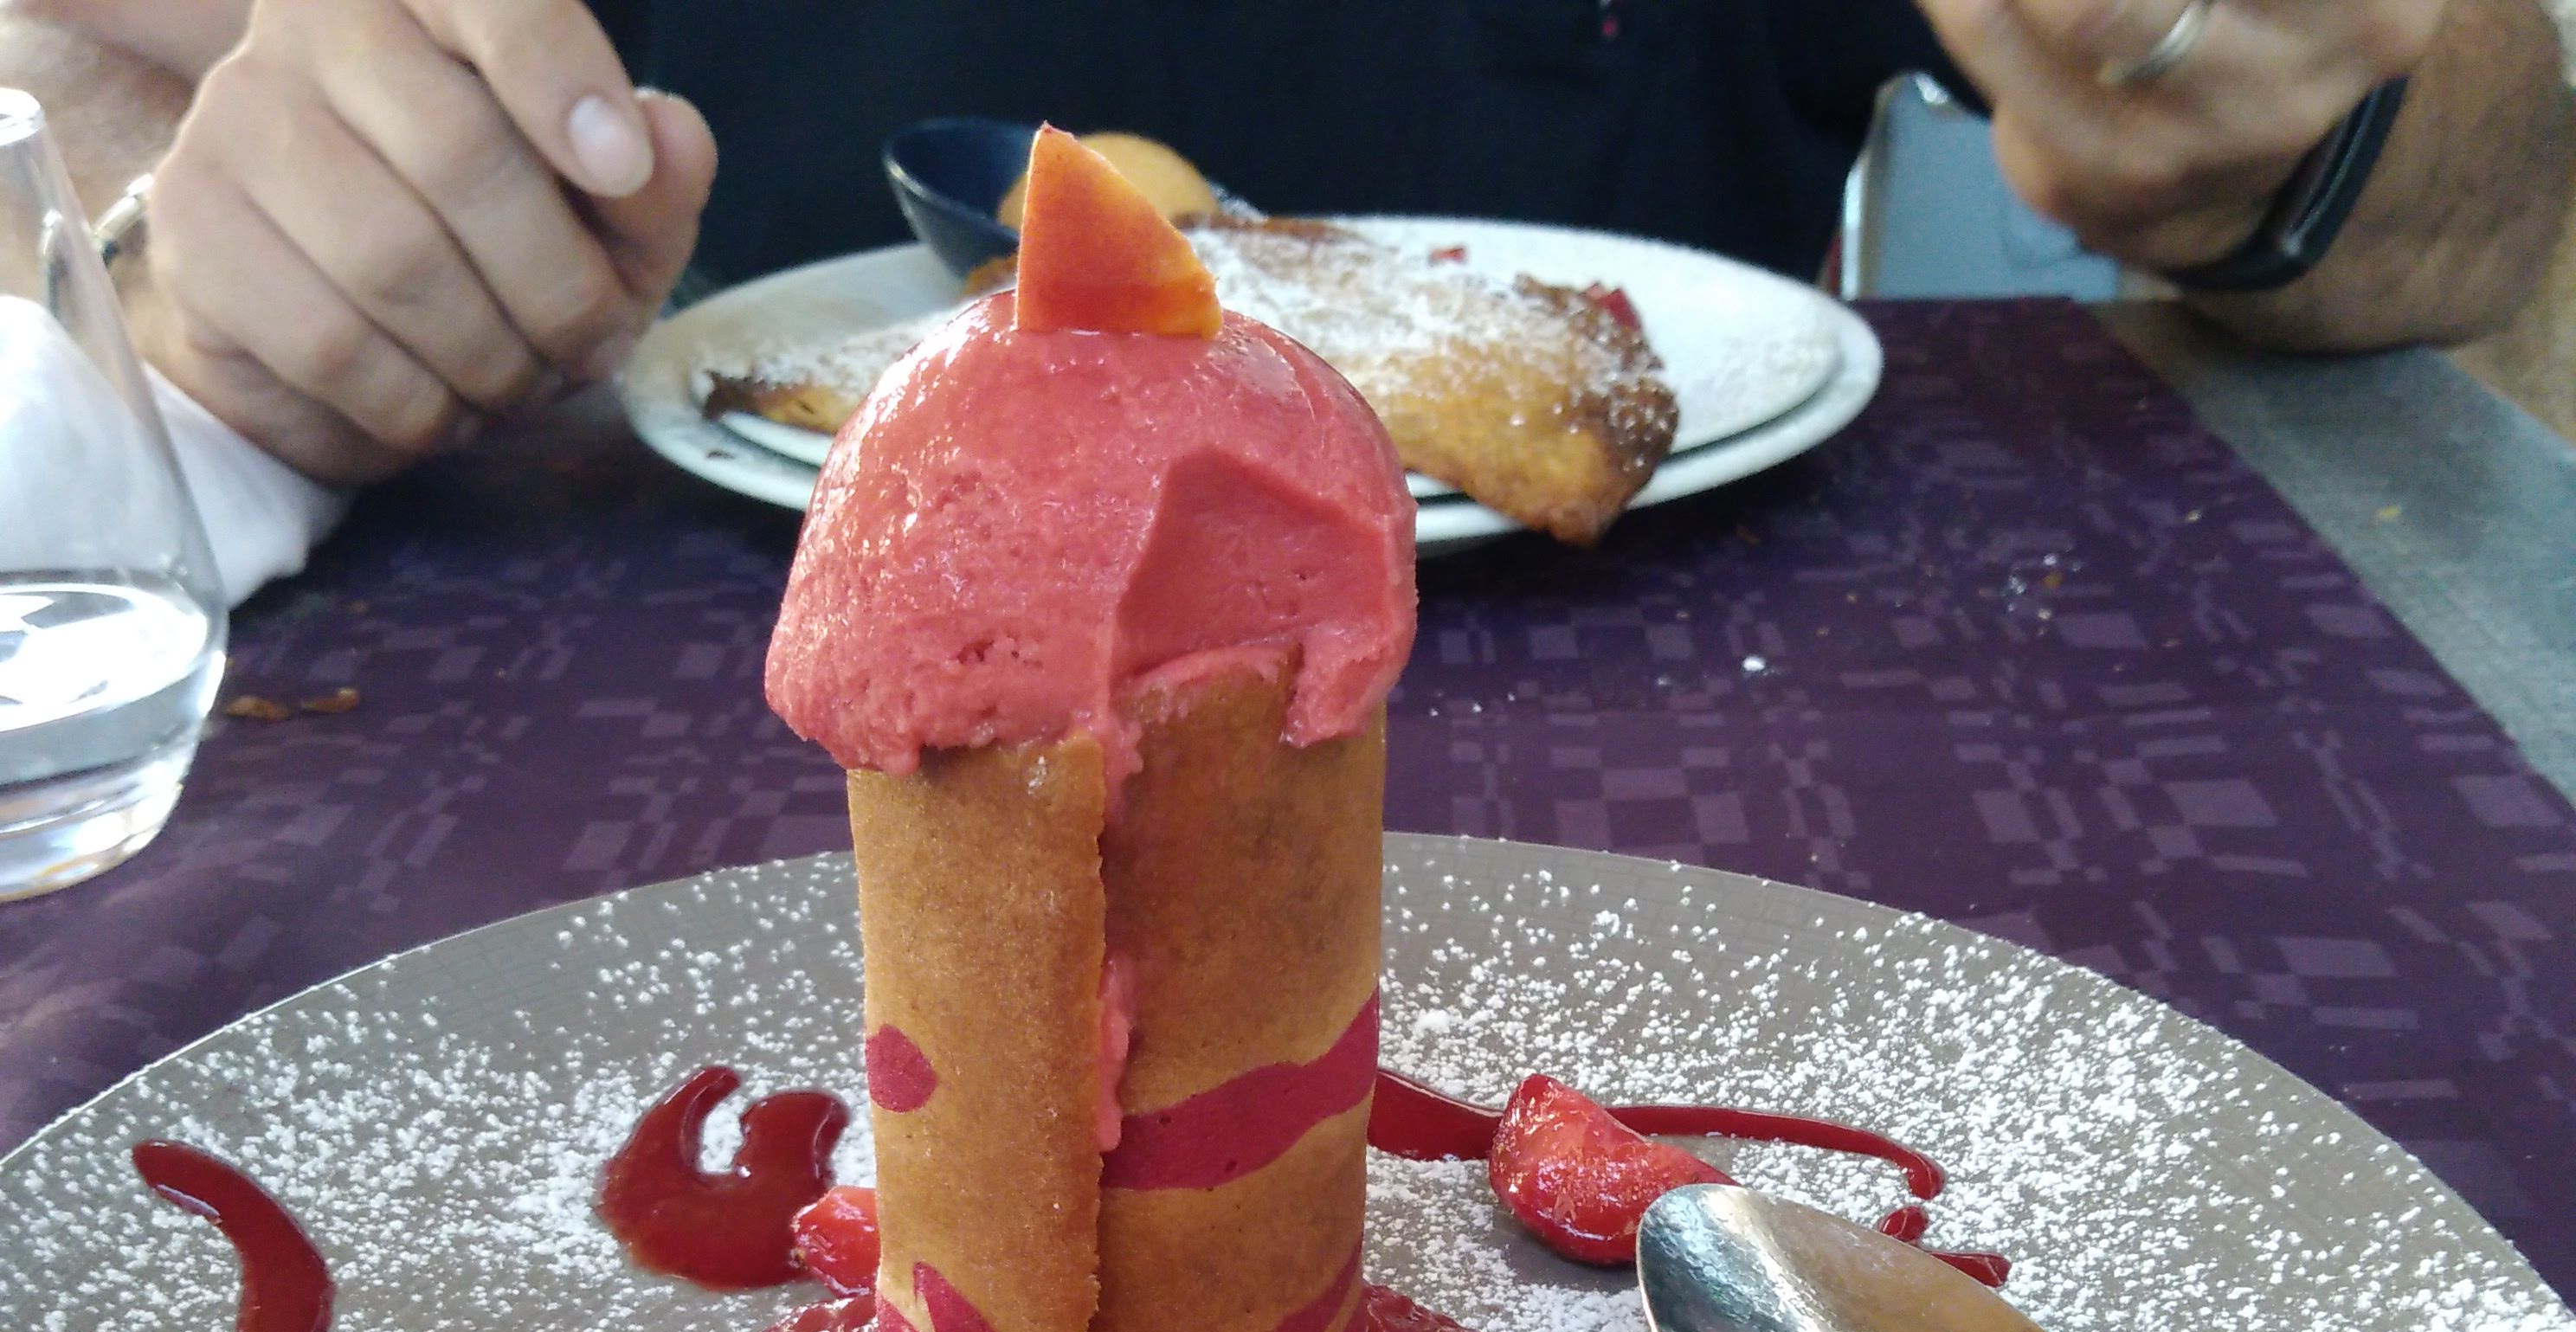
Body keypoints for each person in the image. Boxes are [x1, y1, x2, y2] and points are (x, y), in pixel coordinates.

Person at [2, 0, 2571, 496]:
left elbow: (2487, 199)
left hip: (1691, 806)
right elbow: (122, 129)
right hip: (722, 779)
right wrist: (224, 302)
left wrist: (2281, 113)